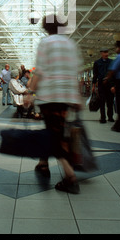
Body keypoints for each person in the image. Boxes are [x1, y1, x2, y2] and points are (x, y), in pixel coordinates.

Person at [26, 14, 83, 194]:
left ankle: (71, 177)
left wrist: (29, 92)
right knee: (54, 131)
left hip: (50, 95)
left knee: (54, 134)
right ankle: (43, 163)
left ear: (46, 28)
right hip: (67, 96)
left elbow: (40, 71)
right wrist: (78, 98)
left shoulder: (47, 43)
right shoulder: (70, 44)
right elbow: (76, 71)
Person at [104, 41, 120, 132]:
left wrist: (107, 79)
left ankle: (119, 125)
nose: (116, 50)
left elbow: (112, 70)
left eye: (116, 48)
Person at [92, 48, 114, 123]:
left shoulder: (111, 62)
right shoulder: (97, 63)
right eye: (105, 52)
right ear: (101, 53)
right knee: (102, 101)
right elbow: (95, 74)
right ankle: (103, 118)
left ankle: (110, 117)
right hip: (101, 84)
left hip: (110, 84)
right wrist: (93, 85)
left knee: (110, 101)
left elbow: (113, 74)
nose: (106, 54)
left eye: (107, 52)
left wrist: (114, 85)